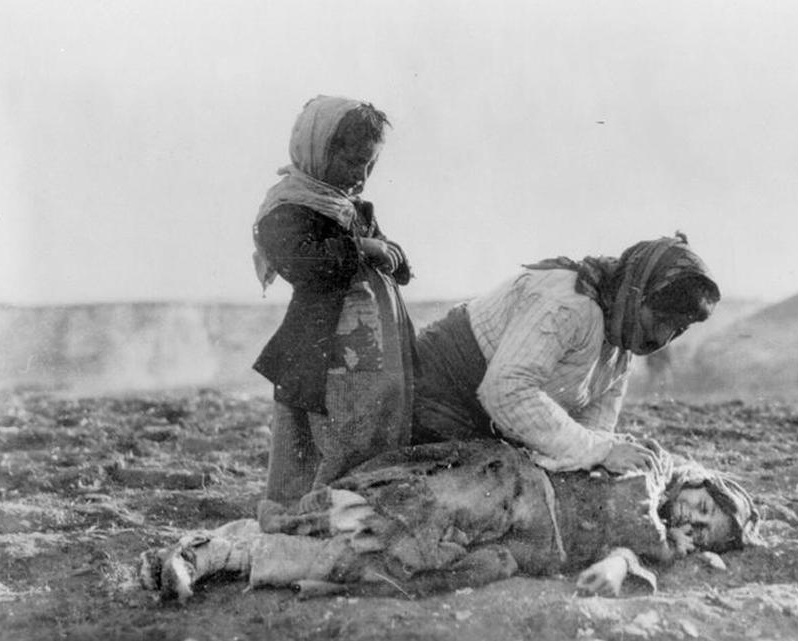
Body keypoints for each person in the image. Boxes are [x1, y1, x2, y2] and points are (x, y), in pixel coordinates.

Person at [139, 438, 760, 602]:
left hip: (516, 545)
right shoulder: (650, 470)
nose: (692, 521)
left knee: (383, 564)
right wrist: (657, 539)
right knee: (389, 517)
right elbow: (633, 503)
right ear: (696, 482)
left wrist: (627, 565)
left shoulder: (659, 543)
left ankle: (213, 558)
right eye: (701, 508)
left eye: (706, 531)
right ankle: (212, 548)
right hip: (507, 490)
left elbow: (625, 558)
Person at [412, 233, 720, 475]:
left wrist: (605, 455)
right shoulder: (569, 303)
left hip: (491, 420)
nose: (664, 337)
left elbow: (593, 427)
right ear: (637, 292)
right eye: (663, 320)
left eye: (679, 329)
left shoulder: (620, 346)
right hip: (437, 393)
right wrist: (601, 453)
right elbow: (506, 391)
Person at [251, 95, 417, 517]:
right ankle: (307, 514)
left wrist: (393, 257)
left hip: (369, 354)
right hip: (322, 352)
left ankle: (354, 507)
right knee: (324, 439)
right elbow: (302, 263)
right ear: (318, 151)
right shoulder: (287, 209)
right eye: (352, 162)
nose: (361, 176)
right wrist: (361, 248)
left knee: (370, 430)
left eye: (370, 165)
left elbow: (387, 256)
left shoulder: (351, 208)